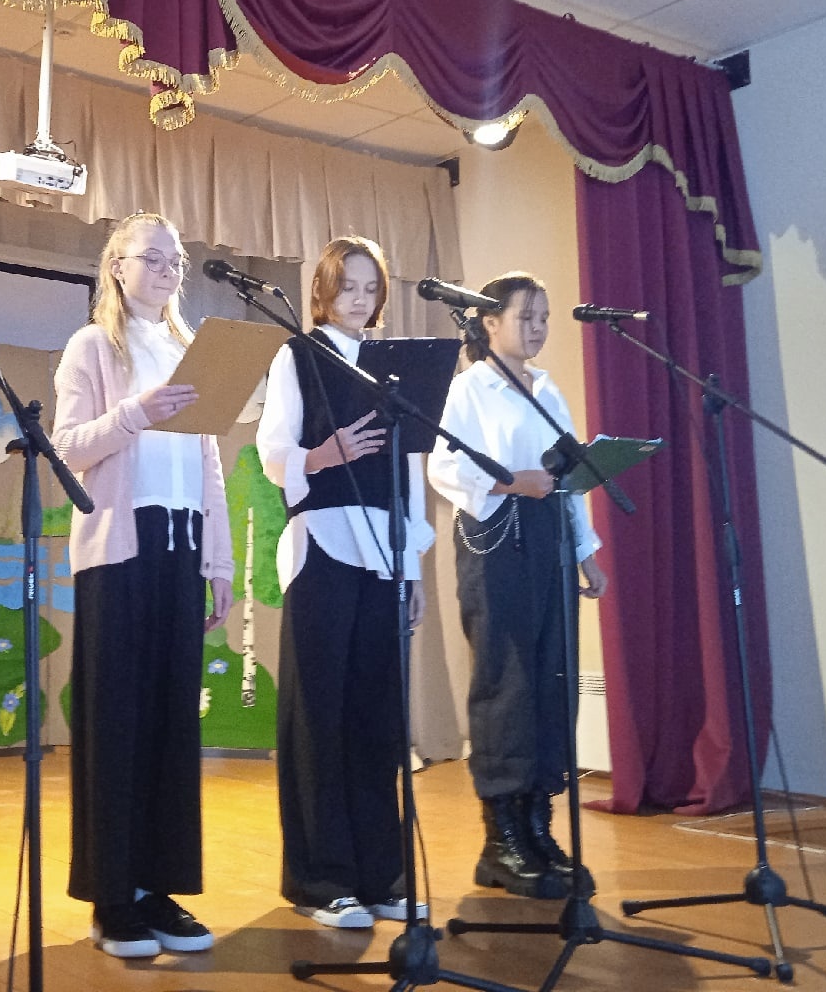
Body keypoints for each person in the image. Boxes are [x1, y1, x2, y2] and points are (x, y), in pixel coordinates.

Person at [52, 211, 235, 960]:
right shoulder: (93, 346)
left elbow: (209, 465)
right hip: (120, 553)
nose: (167, 270)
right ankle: (112, 897)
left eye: (176, 259)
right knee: (117, 725)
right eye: (152, 258)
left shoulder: (192, 350)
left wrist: (220, 563)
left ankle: (159, 889)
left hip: (182, 550)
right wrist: (135, 413)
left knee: (171, 726)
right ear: (117, 267)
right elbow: (66, 450)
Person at [256, 236, 434, 929]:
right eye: (348, 286)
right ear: (323, 291)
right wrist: (323, 455)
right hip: (323, 545)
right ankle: (320, 878)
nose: (360, 299)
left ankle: (382, 874)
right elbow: (273, 451)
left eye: (370, 287)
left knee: (376, 720)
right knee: (319, 717)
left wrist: (413, 567)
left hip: (386, 554)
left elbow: (411, 471)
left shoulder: (397, 366)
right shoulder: (299, 355)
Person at [427, 271, 609, 901]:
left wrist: (586, 554)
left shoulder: (548, 390)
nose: (538, 328)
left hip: (550, 540)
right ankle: (500, 840)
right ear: (489, 321)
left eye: (545, 317)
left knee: (554, 679)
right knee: (507, 683)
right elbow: (444, 465)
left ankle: (538, 829)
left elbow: (569, 478)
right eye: (526, 317)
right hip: (496, 539)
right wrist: (510, 483)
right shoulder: (468, 388)